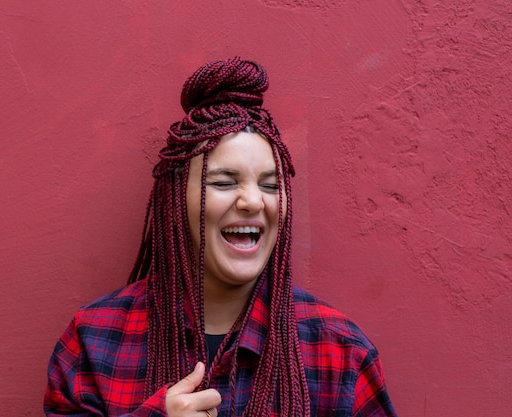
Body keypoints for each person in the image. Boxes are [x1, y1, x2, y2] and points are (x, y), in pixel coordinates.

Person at [44, 57, 397, 417]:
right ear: (176, 198)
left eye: (270, 185)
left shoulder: (340, 354)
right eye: (224, 182)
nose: (253, 201)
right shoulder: (93, 342)